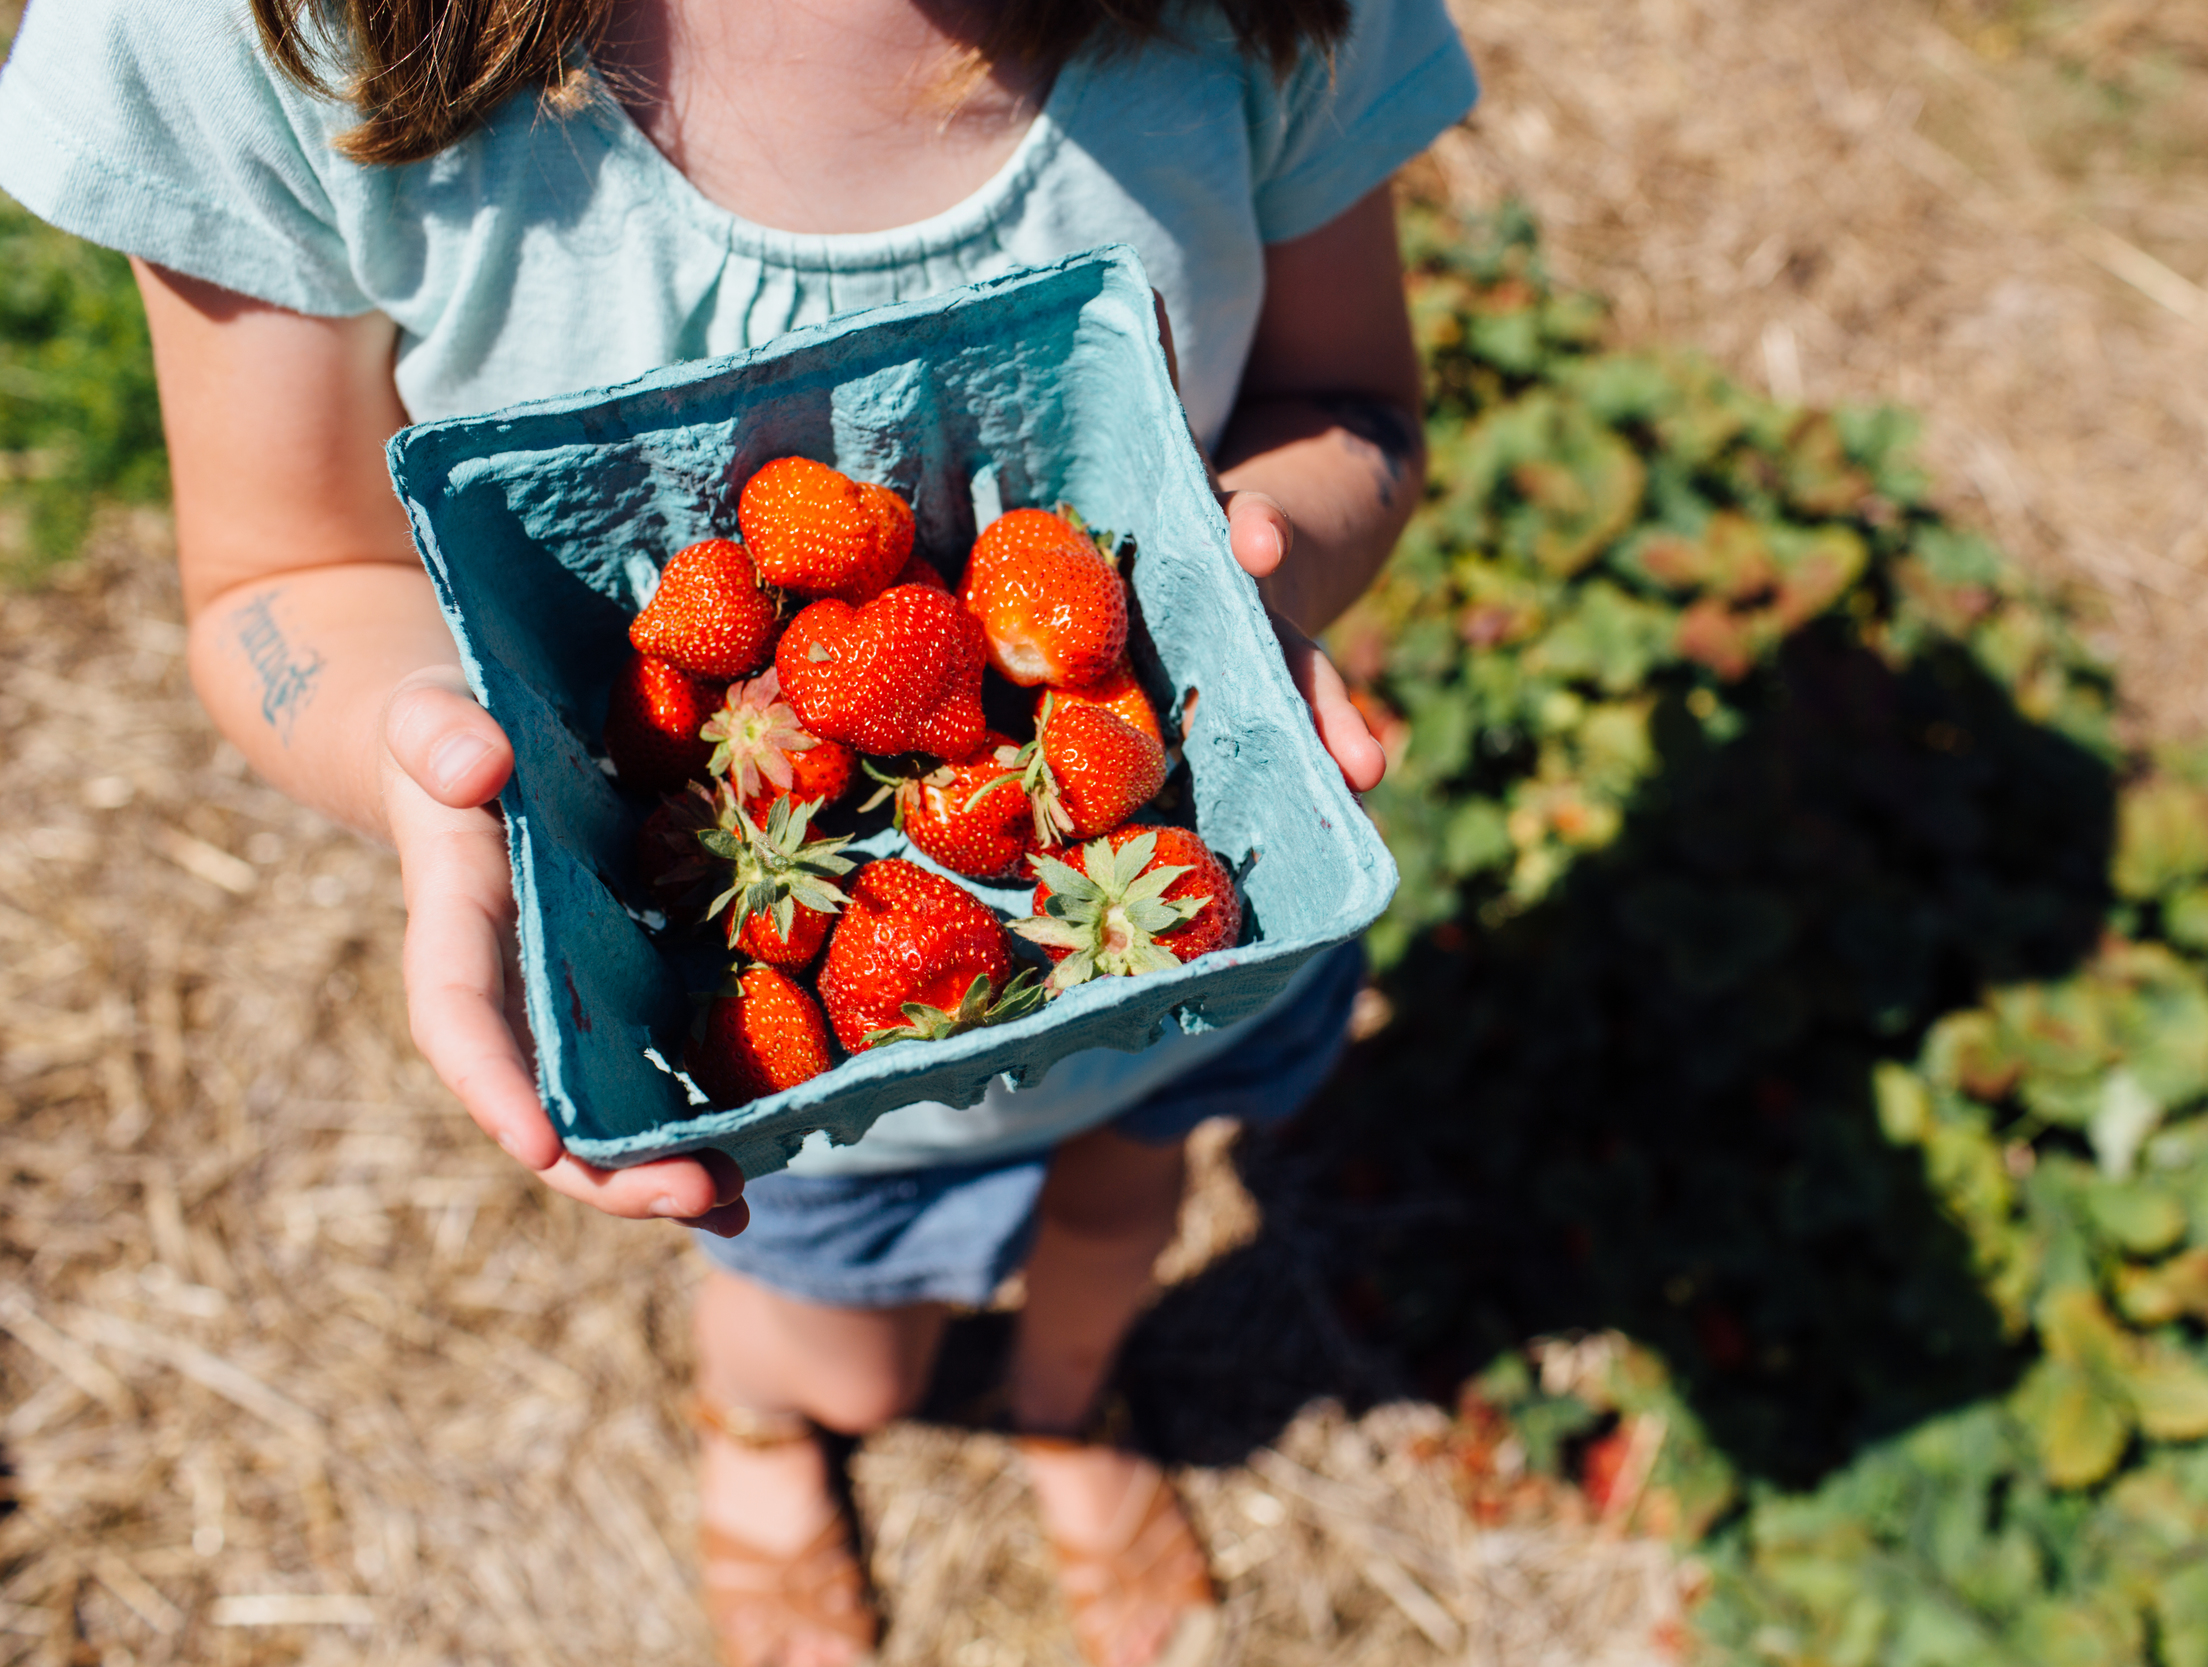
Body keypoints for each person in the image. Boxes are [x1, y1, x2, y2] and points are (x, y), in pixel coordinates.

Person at [0, 0, 1473, 1661]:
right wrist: (424, 767)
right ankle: (768, 1431)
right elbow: (276, 581)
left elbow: (1354, 396)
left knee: (1132, 1202)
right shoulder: (247, 40)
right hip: (814, 1104)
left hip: (1182, 939)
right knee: (844, 1343)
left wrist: (1251, 566)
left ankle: (1070, 1407)